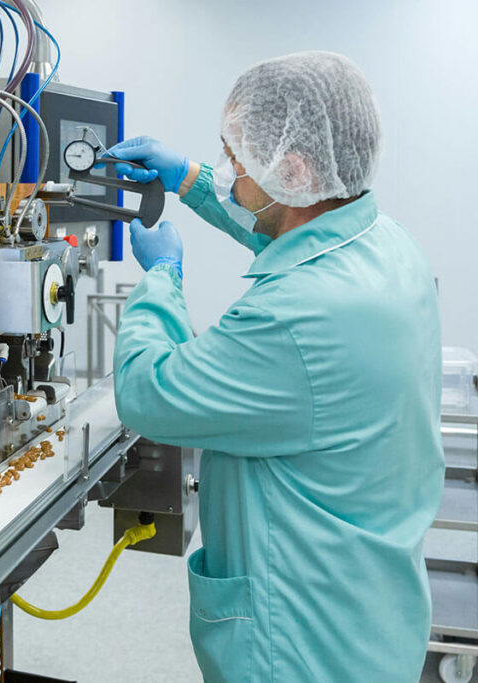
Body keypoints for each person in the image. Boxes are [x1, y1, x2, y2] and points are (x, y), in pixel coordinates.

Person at [108, 51, 444, 682]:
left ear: (292, 169)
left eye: (238, 160)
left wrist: (160, 280)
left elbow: (147, 392)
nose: (231, 172)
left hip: (299, 644)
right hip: (371, 615)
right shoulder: (386, 245)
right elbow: (285, 235)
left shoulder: (292, 319)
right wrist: (191, 179)